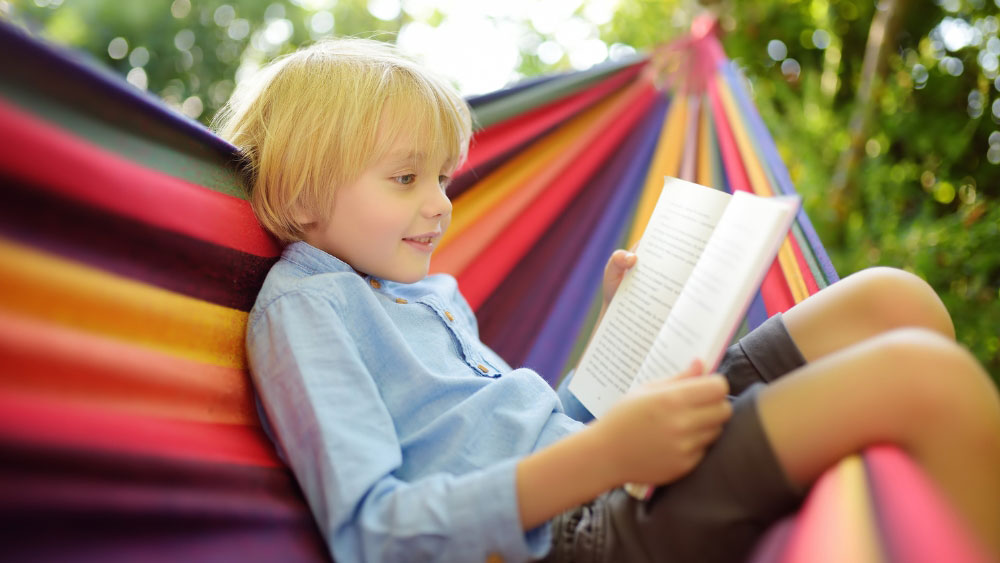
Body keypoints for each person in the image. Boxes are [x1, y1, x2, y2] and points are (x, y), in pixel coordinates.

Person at [213, 38, 1000, 562]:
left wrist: (620, 337)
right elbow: (375, 534)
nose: (440, 205)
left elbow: (528, 429)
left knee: (889, 301)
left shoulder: (425, 289)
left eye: (443, 178)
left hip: (603, 465)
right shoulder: (308, 309)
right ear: (305, 192)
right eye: (405, 178)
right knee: (921, 381)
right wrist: (607, 456)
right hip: (572, 534)